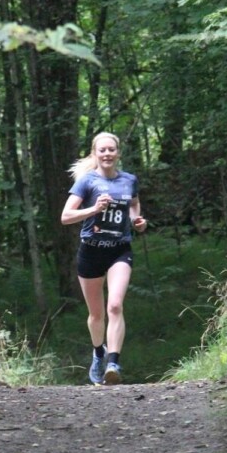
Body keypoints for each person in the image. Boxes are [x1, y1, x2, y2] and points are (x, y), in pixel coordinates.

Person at [61, 132, 147, 385]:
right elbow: (66, 216)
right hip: (91, 251)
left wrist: (137, 221)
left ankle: (113, 364)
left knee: (115, 306)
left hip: (119, 250)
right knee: (96, 314)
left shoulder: (129, 180)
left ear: (118, 153)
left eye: (112, 150)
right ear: (95, 154)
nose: (107, 154)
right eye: (103, 150)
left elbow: (133, 206)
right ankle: (99, 352)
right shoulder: (87, 182)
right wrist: (94, 209)